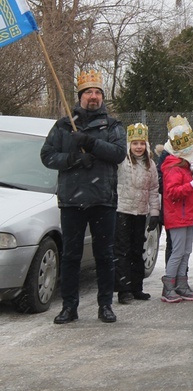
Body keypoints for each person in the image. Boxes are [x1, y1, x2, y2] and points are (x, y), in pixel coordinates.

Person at [40, 69, 127, 324]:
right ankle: (69, 306)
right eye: (88, 92)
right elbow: (47, 156)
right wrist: (74, 158)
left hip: (102, 200)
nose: (93, 97)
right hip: (72, 201)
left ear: (102, 98)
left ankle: (105, 305)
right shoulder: (64, 125)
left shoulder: (112, 125)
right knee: (70, 257)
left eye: (97, 92)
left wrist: (90, 143)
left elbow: (119, 153)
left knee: (104, 255)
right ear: (80, 96)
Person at [160, 119, 193, 302]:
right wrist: (192, 185)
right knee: (178, 251)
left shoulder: (185, 166)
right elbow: (172, 193)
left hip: (188, 215)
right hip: (177, 216)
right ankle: (169, 284)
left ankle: (181, 283)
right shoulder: (173, 168)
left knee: (186, 251)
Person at [114, 123, 160, 304]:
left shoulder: (151, 165)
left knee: (136, 250)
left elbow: (154, 189)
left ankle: (136, 287)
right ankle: (123, 289)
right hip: (122, 210)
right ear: (129, 145)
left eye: (141, 143)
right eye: (135, 143)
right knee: (122, 251)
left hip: (140, 212)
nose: (138, 147)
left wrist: (154, 212)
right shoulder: (122, 162)